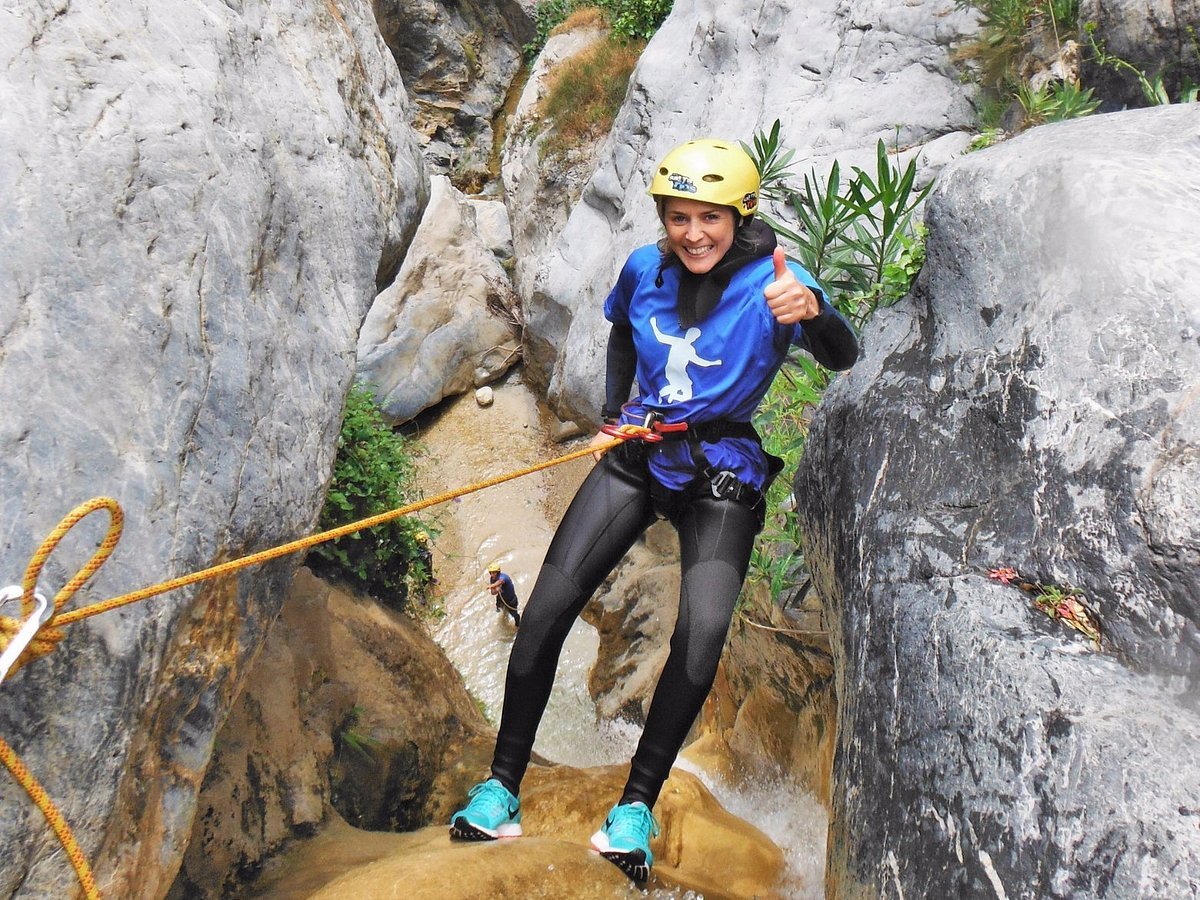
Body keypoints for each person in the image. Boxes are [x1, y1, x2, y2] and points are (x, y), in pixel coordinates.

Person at [449, 138, 858, 882]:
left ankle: (634, 808)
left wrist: (817, 312)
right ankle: (501, 789)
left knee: (700, 639)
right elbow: (620, 336)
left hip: (719, 472)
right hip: (639, 456)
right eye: (678, 217)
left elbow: (842, 354)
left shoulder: (779, 282)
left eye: (709, 217)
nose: (693, 233)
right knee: (544, 613)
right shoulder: (646, 268)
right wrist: (613, 413)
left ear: (742, 215)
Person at [488, 562, 521, 627]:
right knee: (499, 609)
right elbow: (493, 593)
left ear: (498, 572)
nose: (492, 575)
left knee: (514, 614)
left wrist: (493, 585)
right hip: (501, 598)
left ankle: (518, 625)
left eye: (494, 573)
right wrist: (495, 589)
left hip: (511, 600)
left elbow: (501, 581)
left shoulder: (503, 577)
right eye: (491, 573)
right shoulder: (492, 579)